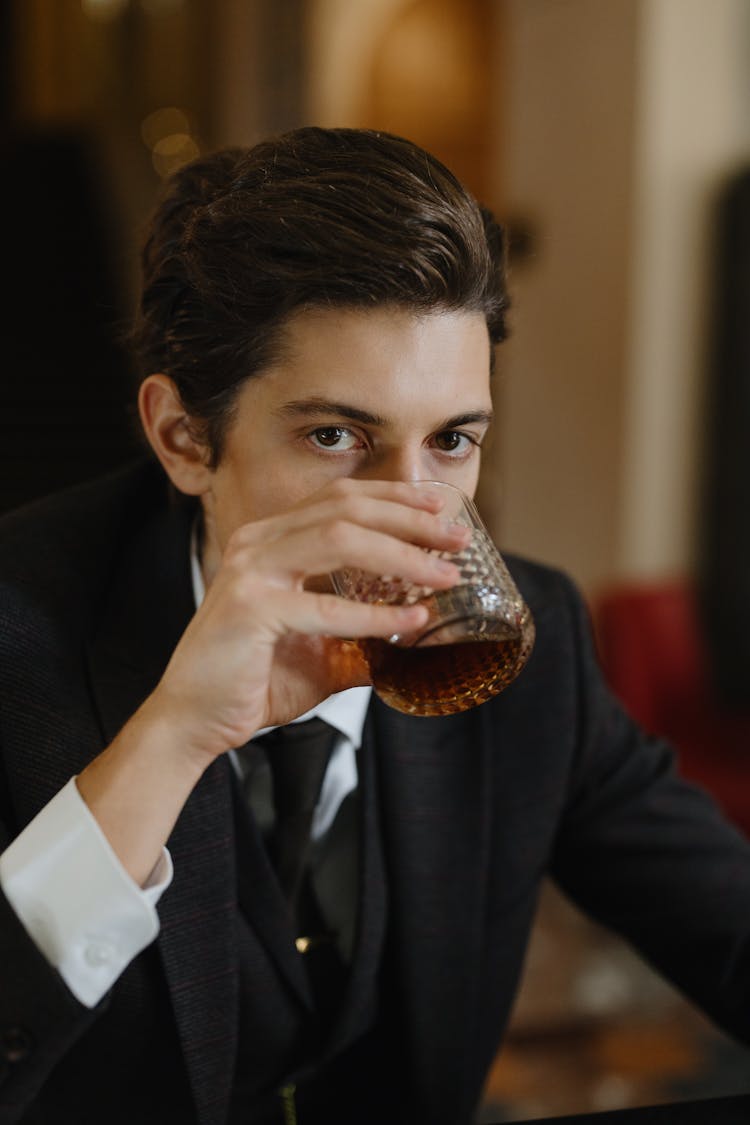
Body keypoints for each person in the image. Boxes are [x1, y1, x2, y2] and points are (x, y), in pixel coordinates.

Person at [0, 126, 749, 1125]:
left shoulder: (536, 637)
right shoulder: (19, 626)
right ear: (184, 439)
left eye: (451, 441)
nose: (410, 509)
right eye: (337, 436)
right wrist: (170, 739)